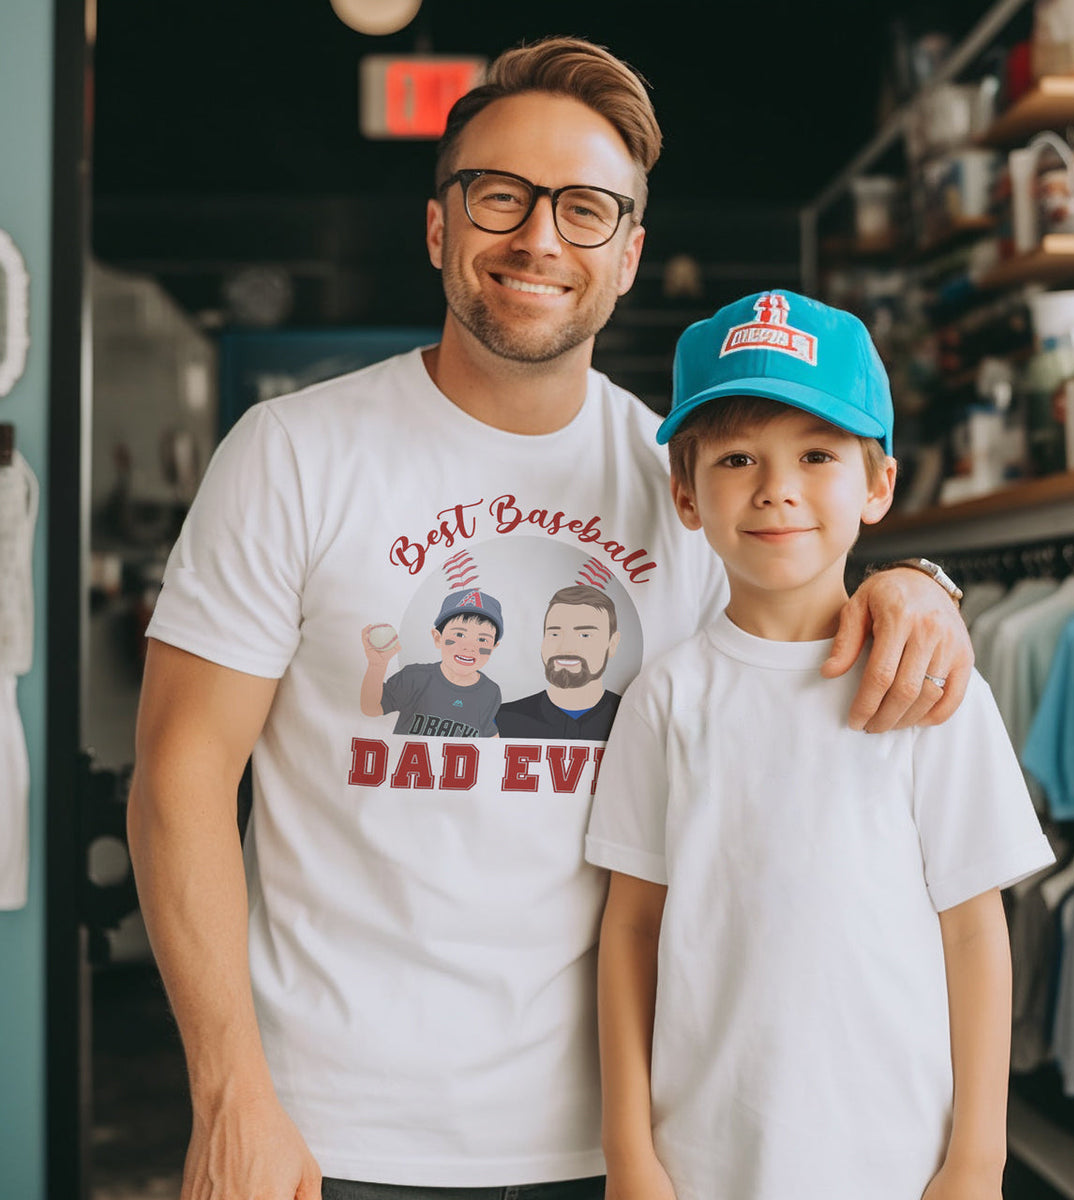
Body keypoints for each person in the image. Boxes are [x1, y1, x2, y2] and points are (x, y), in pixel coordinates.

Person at [126, 37, 973, 1200]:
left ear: (628, 255)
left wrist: (920, 583)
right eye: (500, 197)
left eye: (584, 210)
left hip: (622, 1141)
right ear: (439, 227)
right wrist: (229, 1095)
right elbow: (179, 775)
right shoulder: (293, 455)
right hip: (329, 1133)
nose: (537, 239)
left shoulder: (687, 481)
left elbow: (800, 614)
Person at [587, 289, 1056, 1200]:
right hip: (701, 1161)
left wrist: (979, 1159)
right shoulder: (668, 697)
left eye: (816, 453)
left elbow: (974, 933)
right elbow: (632, 928)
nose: (777, 487)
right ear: (686, 493)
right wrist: (629, 1153)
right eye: (735, 457)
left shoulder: (932, 689)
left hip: (897, 1162)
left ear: (877, 483)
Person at [360, 588, 504, 738]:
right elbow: (371, 708)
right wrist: (377, 665)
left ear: (493, 647)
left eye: (482, 639)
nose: (469, 647)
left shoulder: (490, 691)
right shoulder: (415, 677)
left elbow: (490, 738)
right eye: (459, 634)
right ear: (437, 638)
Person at [496, 584, 622, 739]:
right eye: (555, 634)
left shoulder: (632, 718)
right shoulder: (502, 720)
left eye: (584, 635)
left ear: (612, 644)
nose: (566, 647)